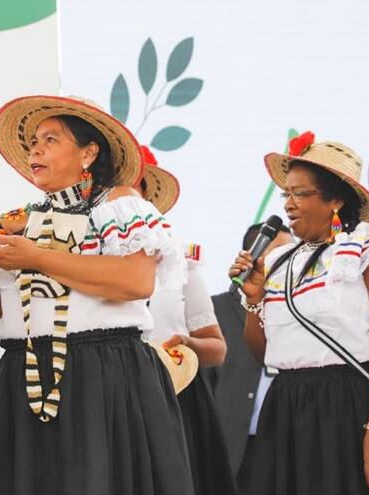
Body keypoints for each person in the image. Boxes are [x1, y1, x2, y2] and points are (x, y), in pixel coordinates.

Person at [0, 95, 194, 495]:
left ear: (88, 153)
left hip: (101, 374)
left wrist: (38, 257)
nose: (36, 148)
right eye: (33, 141)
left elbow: (135, 281)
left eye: (51, 139)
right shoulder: (18, 220)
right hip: (25, 375)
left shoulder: (116, 204)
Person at [230, 132, 369, 494]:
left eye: (301, 194)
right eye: (286, 193)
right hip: (286, 409)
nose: (288, 204)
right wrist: (255, 300)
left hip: (349, 406)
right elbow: (263, 354)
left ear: (335, 200)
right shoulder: (277, 261)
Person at [134, 145, 235, 495]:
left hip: (175, 397)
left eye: (135, 188)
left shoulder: (179, 259)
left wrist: (188, 346)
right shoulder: (84, 257)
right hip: (112, 397)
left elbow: (217, 348)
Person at [204, 221, 292, 493]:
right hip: (232, 449)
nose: (289, 262)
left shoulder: (301, 309)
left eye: (293, 254)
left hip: (287, 446)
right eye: (280, 254)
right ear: (252, 257)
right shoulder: (215, 310)